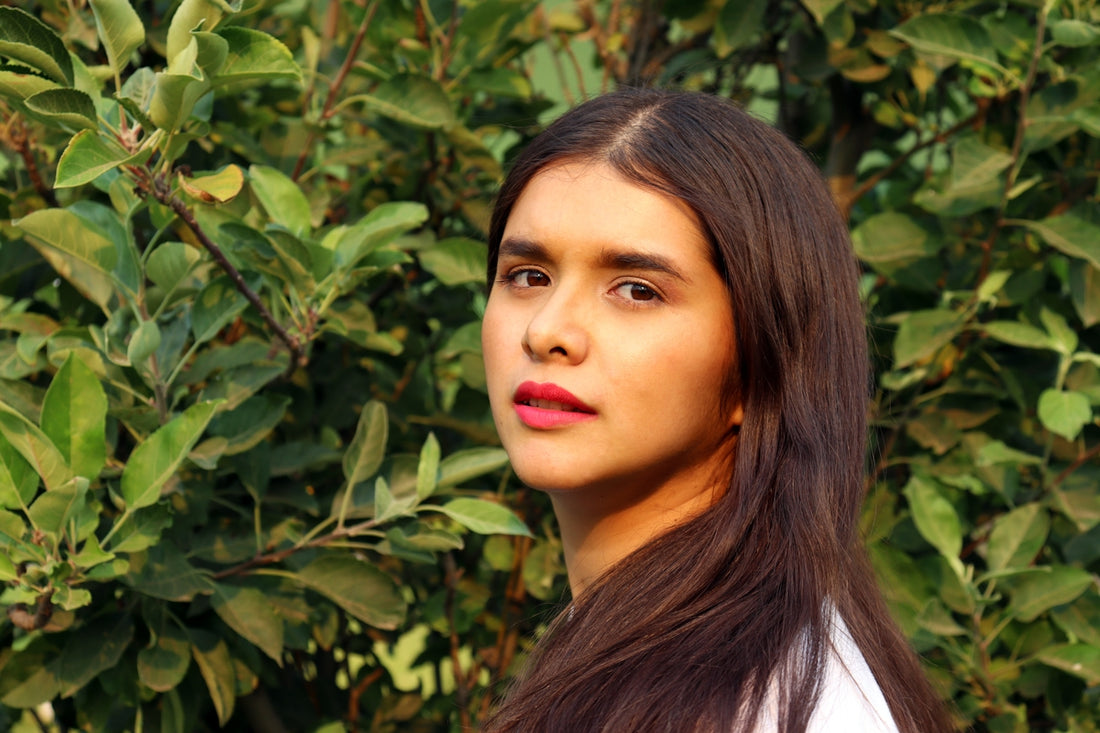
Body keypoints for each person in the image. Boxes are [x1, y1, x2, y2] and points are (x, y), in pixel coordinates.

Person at [479, 89, 952, 732]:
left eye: (637, 290)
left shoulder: (772, 706)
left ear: (759, 364)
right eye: (528, 275)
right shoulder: (638, 651)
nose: (547, 331)